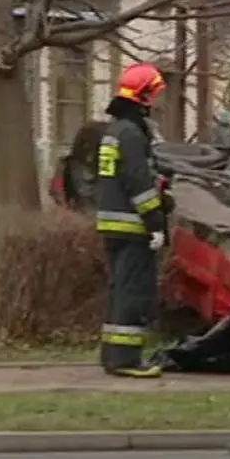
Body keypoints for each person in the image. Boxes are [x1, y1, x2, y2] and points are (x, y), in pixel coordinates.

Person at [94, 62, 168, 378]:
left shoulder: (114, 130)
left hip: (112, 223)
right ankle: (127, 360)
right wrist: (155, 223)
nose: (159, 100)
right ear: (145, 95)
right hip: (132, 224)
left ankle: (113, 355)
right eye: (157, 93)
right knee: (133, 291)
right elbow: (138, 183)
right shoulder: (132, 133)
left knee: (120, 289)